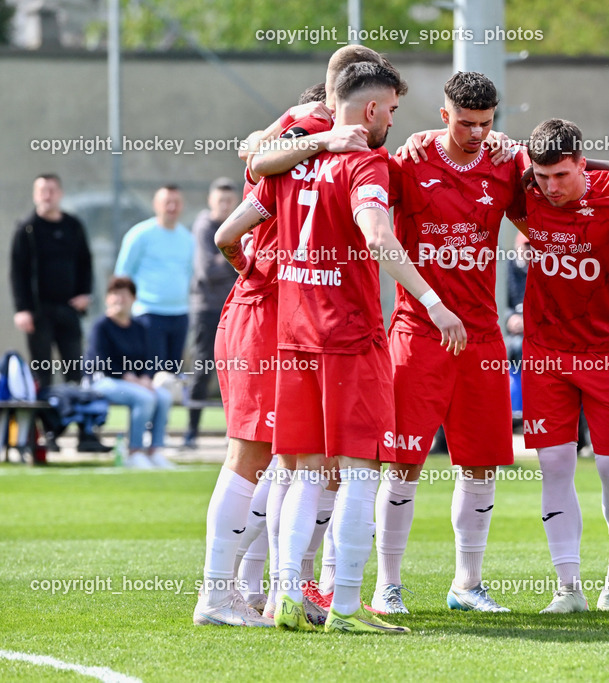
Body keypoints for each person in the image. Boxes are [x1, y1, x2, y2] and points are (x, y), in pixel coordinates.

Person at [215, 61, 465, 635]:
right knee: (358, 470)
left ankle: (281, 599)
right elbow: (378, 235)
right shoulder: (363, 161)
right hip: (348, 335)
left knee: (299, 469)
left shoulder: (294, 158)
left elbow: (250, 174)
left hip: (294, 334)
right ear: (372, 110)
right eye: (394, 111)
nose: (394, 122)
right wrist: (433, 302)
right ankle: (347, 608)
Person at [193, 45, 383, 629]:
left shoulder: (307, 152)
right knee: (260, 456)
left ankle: (267, 591)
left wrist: (249, 259)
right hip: (268, 317)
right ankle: (221, 594)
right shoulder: (315, 141)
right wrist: (260, 270)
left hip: (286, 317)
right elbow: (252, 159)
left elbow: (231, 229)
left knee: (295, 464)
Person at [361, 71, 527, 615]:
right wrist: (434, 304)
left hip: (481, 336)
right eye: (466, 123)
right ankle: (388, 585)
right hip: (418, 333)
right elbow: (375, 229)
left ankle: (467, 584)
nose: (477, 133)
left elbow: (544, 213)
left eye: (486, 123)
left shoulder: (507, 164)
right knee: (403, 464)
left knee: (479, 465)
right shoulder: (408, 162)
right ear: (443, 116)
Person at [508, 119, 609, 614]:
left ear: (582, 163)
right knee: (555, 467)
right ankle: (568, 590)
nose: (551, 187)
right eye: (542, 177)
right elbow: (480, 163)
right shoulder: (525, 192)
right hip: (546, 351)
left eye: (561, 175)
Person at [9, 173, 108, 452]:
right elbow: (17, 273)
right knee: (44, 376)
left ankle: (86, 434)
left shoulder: (72, 226)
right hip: (38, 314)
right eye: (41, 190)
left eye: (51, 190)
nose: (47, 195)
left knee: (75, 373)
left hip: (68, 312)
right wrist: (22, 309)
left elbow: (85, 262)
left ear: (60, 193)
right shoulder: (26, 229)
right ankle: (47, 435)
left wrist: (85, 294)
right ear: (35, 194)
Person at [86, 277, 173, 469]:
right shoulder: (101, 326)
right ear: (108, 298)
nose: (119, 299)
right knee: (145, 398)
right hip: (104, 381)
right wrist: (131, 378)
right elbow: (101, 361)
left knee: (164, 396)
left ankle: (155, 451)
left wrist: (145, 377)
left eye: (124, 295)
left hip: (133, 383)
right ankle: (135, 452)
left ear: (134, 298)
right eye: (115, 294)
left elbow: (149, 359)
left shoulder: (140, 327)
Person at [183, 178, 241, 449]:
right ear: (211, 201)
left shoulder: (240, 224)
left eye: (230, 201)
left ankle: (237, 432)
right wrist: (237, 257)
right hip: (206, 308)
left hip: (234, 307)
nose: (225, 206)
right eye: (221, 201)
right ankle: (192, 431)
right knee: (203, 366)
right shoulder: (205, 226)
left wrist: (227, 257)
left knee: (239, 367)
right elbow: (208, 270)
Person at [114, 184, 194, 368]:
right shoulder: (139, 235)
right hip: (148, 314)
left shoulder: (188, 238)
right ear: (156, 205)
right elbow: (123, 274)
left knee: (172, 374)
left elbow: (189, 273)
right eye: (167, 202)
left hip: (180, 314)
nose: (172, 207)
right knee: (153, 372)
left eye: (176, 202)